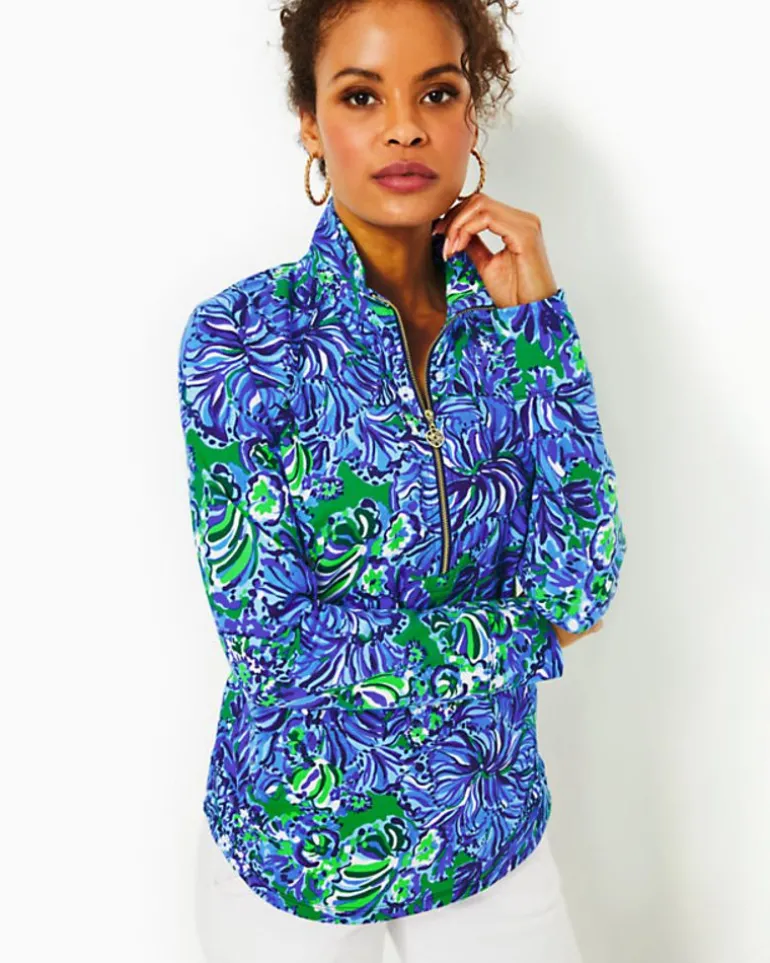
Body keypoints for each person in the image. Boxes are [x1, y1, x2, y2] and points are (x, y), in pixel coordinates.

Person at [177, 0, 627, 959]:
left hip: (490, 835)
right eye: (360, 95)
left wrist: (540, 317)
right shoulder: (241, 339)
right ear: (311, 123)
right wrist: (520, 633)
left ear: (472, 114)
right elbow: (277, 648)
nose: (404, 127)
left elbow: (585, 578)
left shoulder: (509, 323)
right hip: (297, 859)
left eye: (437, 92)